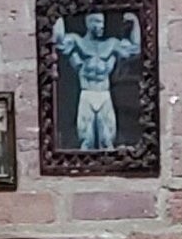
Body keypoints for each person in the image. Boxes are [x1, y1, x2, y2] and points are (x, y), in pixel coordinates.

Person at [50, 11, 140, 151]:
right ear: (88, 24)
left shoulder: (111, 44)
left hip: (105, 94)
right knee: (86, 141)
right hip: (87, 93)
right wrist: (58, 16)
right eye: (97, 22)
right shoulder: (78, 42)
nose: (102, 26)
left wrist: (135, 22)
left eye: (103, 22)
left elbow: (135, 48)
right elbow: (59, 41)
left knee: (107, 141)